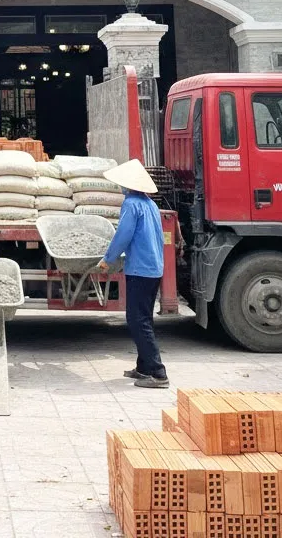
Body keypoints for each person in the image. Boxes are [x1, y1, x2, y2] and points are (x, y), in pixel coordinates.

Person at [97, 158, 169, 389]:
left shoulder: (131, 204)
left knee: (137, 320)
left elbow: (123, 236)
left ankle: (158, 373)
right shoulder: (150, 204)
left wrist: (108, 260)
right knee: (144, 318)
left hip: (140, 269)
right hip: (154, 268)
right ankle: (144, 367)